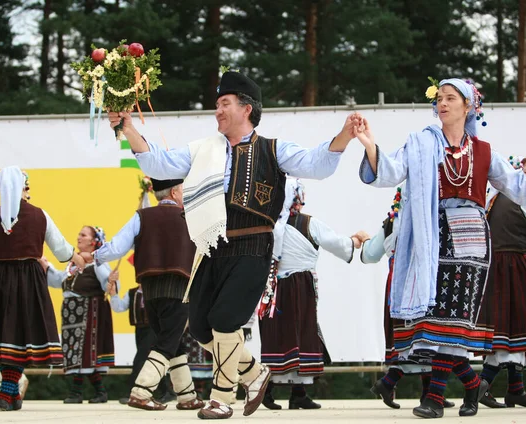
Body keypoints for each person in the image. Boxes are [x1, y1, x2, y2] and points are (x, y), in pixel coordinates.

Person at [107, 70, 356, 419]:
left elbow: (316, 164)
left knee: (225, 321)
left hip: (253, 245)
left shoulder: (273, 148)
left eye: (225, 103)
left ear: (247, 108)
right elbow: (160, 163)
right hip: (213, 246)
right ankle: (254, 373)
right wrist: (128, 128)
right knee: (199, 326)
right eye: (217, 104)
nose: (217, 110)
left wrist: (344, 135)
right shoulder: (204, 149)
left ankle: (222, 397)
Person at [354, 78, 526, 419]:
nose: (443, 104)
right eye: (440, 98)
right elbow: (390, 171)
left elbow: (522, 187)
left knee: (453, 322)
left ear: (469, 107)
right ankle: (469, 383)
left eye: (451, 98)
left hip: (472, 242)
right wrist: (369, 143)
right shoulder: (420, 144)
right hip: (432, 238)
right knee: (433, 322)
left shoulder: (484, 151)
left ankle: (435, 399)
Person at [0, 166, 84, 411]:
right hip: (29, 280)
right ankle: (8, 392)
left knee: (5, 335)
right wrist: (78, 258)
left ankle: (9, 392)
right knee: (20, 335)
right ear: (25, 188)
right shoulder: (40, 215)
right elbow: (61, 250)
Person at [82, 178, 204, 411]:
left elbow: (117, 247)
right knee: (168, 342)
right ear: (176, 191)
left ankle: (187, 396)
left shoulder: (142, 216)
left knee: (173, 342)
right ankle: (141, 391)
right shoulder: (190, 218)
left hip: (148, 290)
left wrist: (93, 257)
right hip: (178, 287)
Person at [259, 178, 362, 410]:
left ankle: (289, 393)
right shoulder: (308, 223)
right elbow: (336, 243)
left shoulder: (269, 224)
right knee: (300, 333)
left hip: (273, 287)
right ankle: (276, 391)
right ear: (299, 198)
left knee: (279, 335)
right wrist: (354, 241)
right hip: (299, 287)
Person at [361, 188, 454, 410]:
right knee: (425, 335)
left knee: (413, 338)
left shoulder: (391, 222)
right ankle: (406, 387)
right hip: (419, 283)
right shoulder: (431, 220)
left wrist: (366, 242)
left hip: (397, 286)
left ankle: (415, 390)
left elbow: (369, 255)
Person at [478, 158, 526, 408]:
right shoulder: (525, 197)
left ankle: (515, 389)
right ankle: (480, 387)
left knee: (506, 325)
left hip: (494, 266)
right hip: (514, 266)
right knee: (515, 323)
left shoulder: (493, 197)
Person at [43, 225, 116, 404]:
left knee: (85, 352)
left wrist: (111, 282)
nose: (79, 237)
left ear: (93, 241)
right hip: (72, 314)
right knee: (73, 350)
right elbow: (58, 280)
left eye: (83, 235)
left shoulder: (98, 263)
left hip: (89, 313)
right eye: (79, 233)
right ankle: (94, 392)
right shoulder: (73, 264)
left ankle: (79, 392)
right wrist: (44, 266)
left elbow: (110, 284)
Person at [107, 283, 160, 404]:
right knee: (150, 360)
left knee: (140, 360)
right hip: (140, 329)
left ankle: (131, 392)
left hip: (153, 329)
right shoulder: (132, 293)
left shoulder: (155, 291)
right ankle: (166, 391)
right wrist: (114, 294)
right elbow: (119, 307)